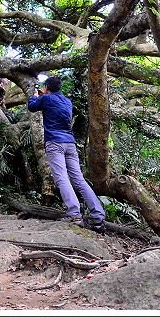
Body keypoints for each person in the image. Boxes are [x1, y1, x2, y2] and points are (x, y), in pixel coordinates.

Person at [28, 76, 106, 231]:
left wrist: (35, 95)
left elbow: (32, 106)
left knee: (62, 179)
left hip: (55, 143)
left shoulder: (46, 98)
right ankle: (98, 216)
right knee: (79, 180)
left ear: (47, 87)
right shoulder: (67, 101)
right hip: (70, 143)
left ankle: (74, 215)